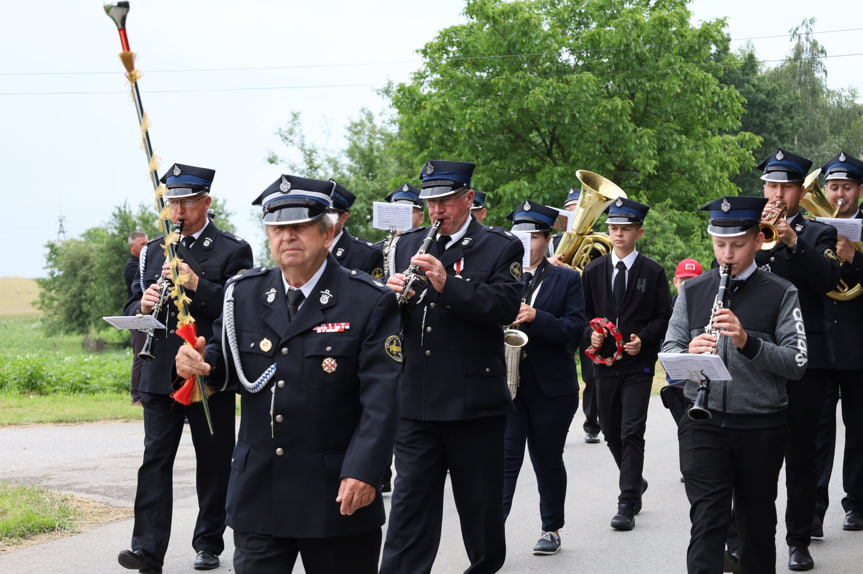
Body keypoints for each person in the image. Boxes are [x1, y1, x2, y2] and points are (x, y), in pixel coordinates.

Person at [175, 174, 401, 574]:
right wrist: (200, 367)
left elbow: (383, 401)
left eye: (300, 227)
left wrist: (365, 471)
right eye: (278, 228)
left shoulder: (367, 301)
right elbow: (228, 369)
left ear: (327, 234)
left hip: (337, 496)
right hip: (261, 493)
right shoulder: (243, 293)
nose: (288, 237)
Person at [380, 160, 524, 574]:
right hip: (416, 401)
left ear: (468, 199)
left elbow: (505, 306)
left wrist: (448, 284)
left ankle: (483, 566)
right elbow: (391, 325)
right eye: (430, 203)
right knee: (409, 510)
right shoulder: (405, 245)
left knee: (479, 509)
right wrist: (389, 300)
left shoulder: (500, 246)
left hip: (472, 403)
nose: (436, 211)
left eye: (445, 201)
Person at [118, 163, 253, 574]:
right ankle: (147, 549)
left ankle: (208, 541)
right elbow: (131, 306)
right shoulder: (154, 250)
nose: (177, 210)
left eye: (185, 201)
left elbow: (238, 312)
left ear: (205, 202)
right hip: (160, 369)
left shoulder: (233, 250)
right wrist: (140, 306)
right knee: (154, 459)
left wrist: (196, 284)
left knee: (214, 461)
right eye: (171, 202)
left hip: (206, 370)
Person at [663, 195, 808, 574]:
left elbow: (797, 362)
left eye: (737, 245)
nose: (727, 254)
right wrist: (689, 353)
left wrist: (749, 343)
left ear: (758, 241)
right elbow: (670, 351)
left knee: (756, 524)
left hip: (760, 424)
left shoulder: (780, 292)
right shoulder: (694, 290)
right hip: (702, 421)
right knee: (707, 521)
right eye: (719, 244)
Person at [752, 148, 841, 572]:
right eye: (770, 185)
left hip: (808, 359)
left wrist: (791, 241)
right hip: (759, 358)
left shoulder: (819, 233)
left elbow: (827, 281)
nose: (775, 193)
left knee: (802, 456)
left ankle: (798, 539)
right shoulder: (749, 230)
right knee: (756, 455)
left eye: (784, 186)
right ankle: (753, 537)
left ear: (799, 191)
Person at [580, 196, 672, 531]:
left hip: (638, 364)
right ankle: (634, 478)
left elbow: (665, 315)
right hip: (604, 364)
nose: (618, 234)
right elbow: (584, 316)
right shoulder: (592, 271)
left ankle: (627, 500)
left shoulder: (653, 271)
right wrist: (589, 334)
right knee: (610, 430)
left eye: (625, 229)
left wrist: (643, 339)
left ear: (639, 232)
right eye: (614, 228)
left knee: (632, 430)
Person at [501, 199, 585, 556]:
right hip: (507, 385)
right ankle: (491, 530)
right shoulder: (501, 275)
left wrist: (537, 317)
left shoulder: (567, 278)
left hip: (552, 387)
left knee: (547, 459)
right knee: (504, 461)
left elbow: (575, 329)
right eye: (518, 234)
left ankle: (550, 528)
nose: (523, 242)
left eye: (531, 235)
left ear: (546, 238)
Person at [813, 151, 863, 534]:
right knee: (817, 432)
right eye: (833, 187)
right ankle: (812, 508)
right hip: (819, 345)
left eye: (846, 187)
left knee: (859, 430)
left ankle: (857, 503)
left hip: (858, 345)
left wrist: (854, 261)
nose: (839, 194)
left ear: (860, 191)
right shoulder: (811, 229)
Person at [548, 188, 603, 444]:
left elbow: (602, 277)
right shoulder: (551, 241)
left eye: (580, 208)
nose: (576, 213)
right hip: (561, 311)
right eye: (572, 209)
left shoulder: (601, 243)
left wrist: (572, 271)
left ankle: (592, 423)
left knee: (591, 373)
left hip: (589, 312)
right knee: (556, 364)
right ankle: (555, 418)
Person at [659, 258, 704, 425]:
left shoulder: (708, 305)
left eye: (692, 282)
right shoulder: (667, 308)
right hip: (676, 376)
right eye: (683, 281)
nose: (687, 286)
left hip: (700, 374)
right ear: (675, 282)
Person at [328, 179, 384, 279]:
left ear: (343, 218)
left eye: (330, 213)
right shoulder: (305, 247)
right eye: (319, 213)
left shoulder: (367, 254)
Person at [125, 230, 148, 406]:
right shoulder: (133, 266)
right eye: (142, 244)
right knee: (140, 355)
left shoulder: (144, 261)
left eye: (147, 243)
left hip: (145, 314)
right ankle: (137, 397)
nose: (145, 247)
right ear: (132, 247)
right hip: (137, 314)